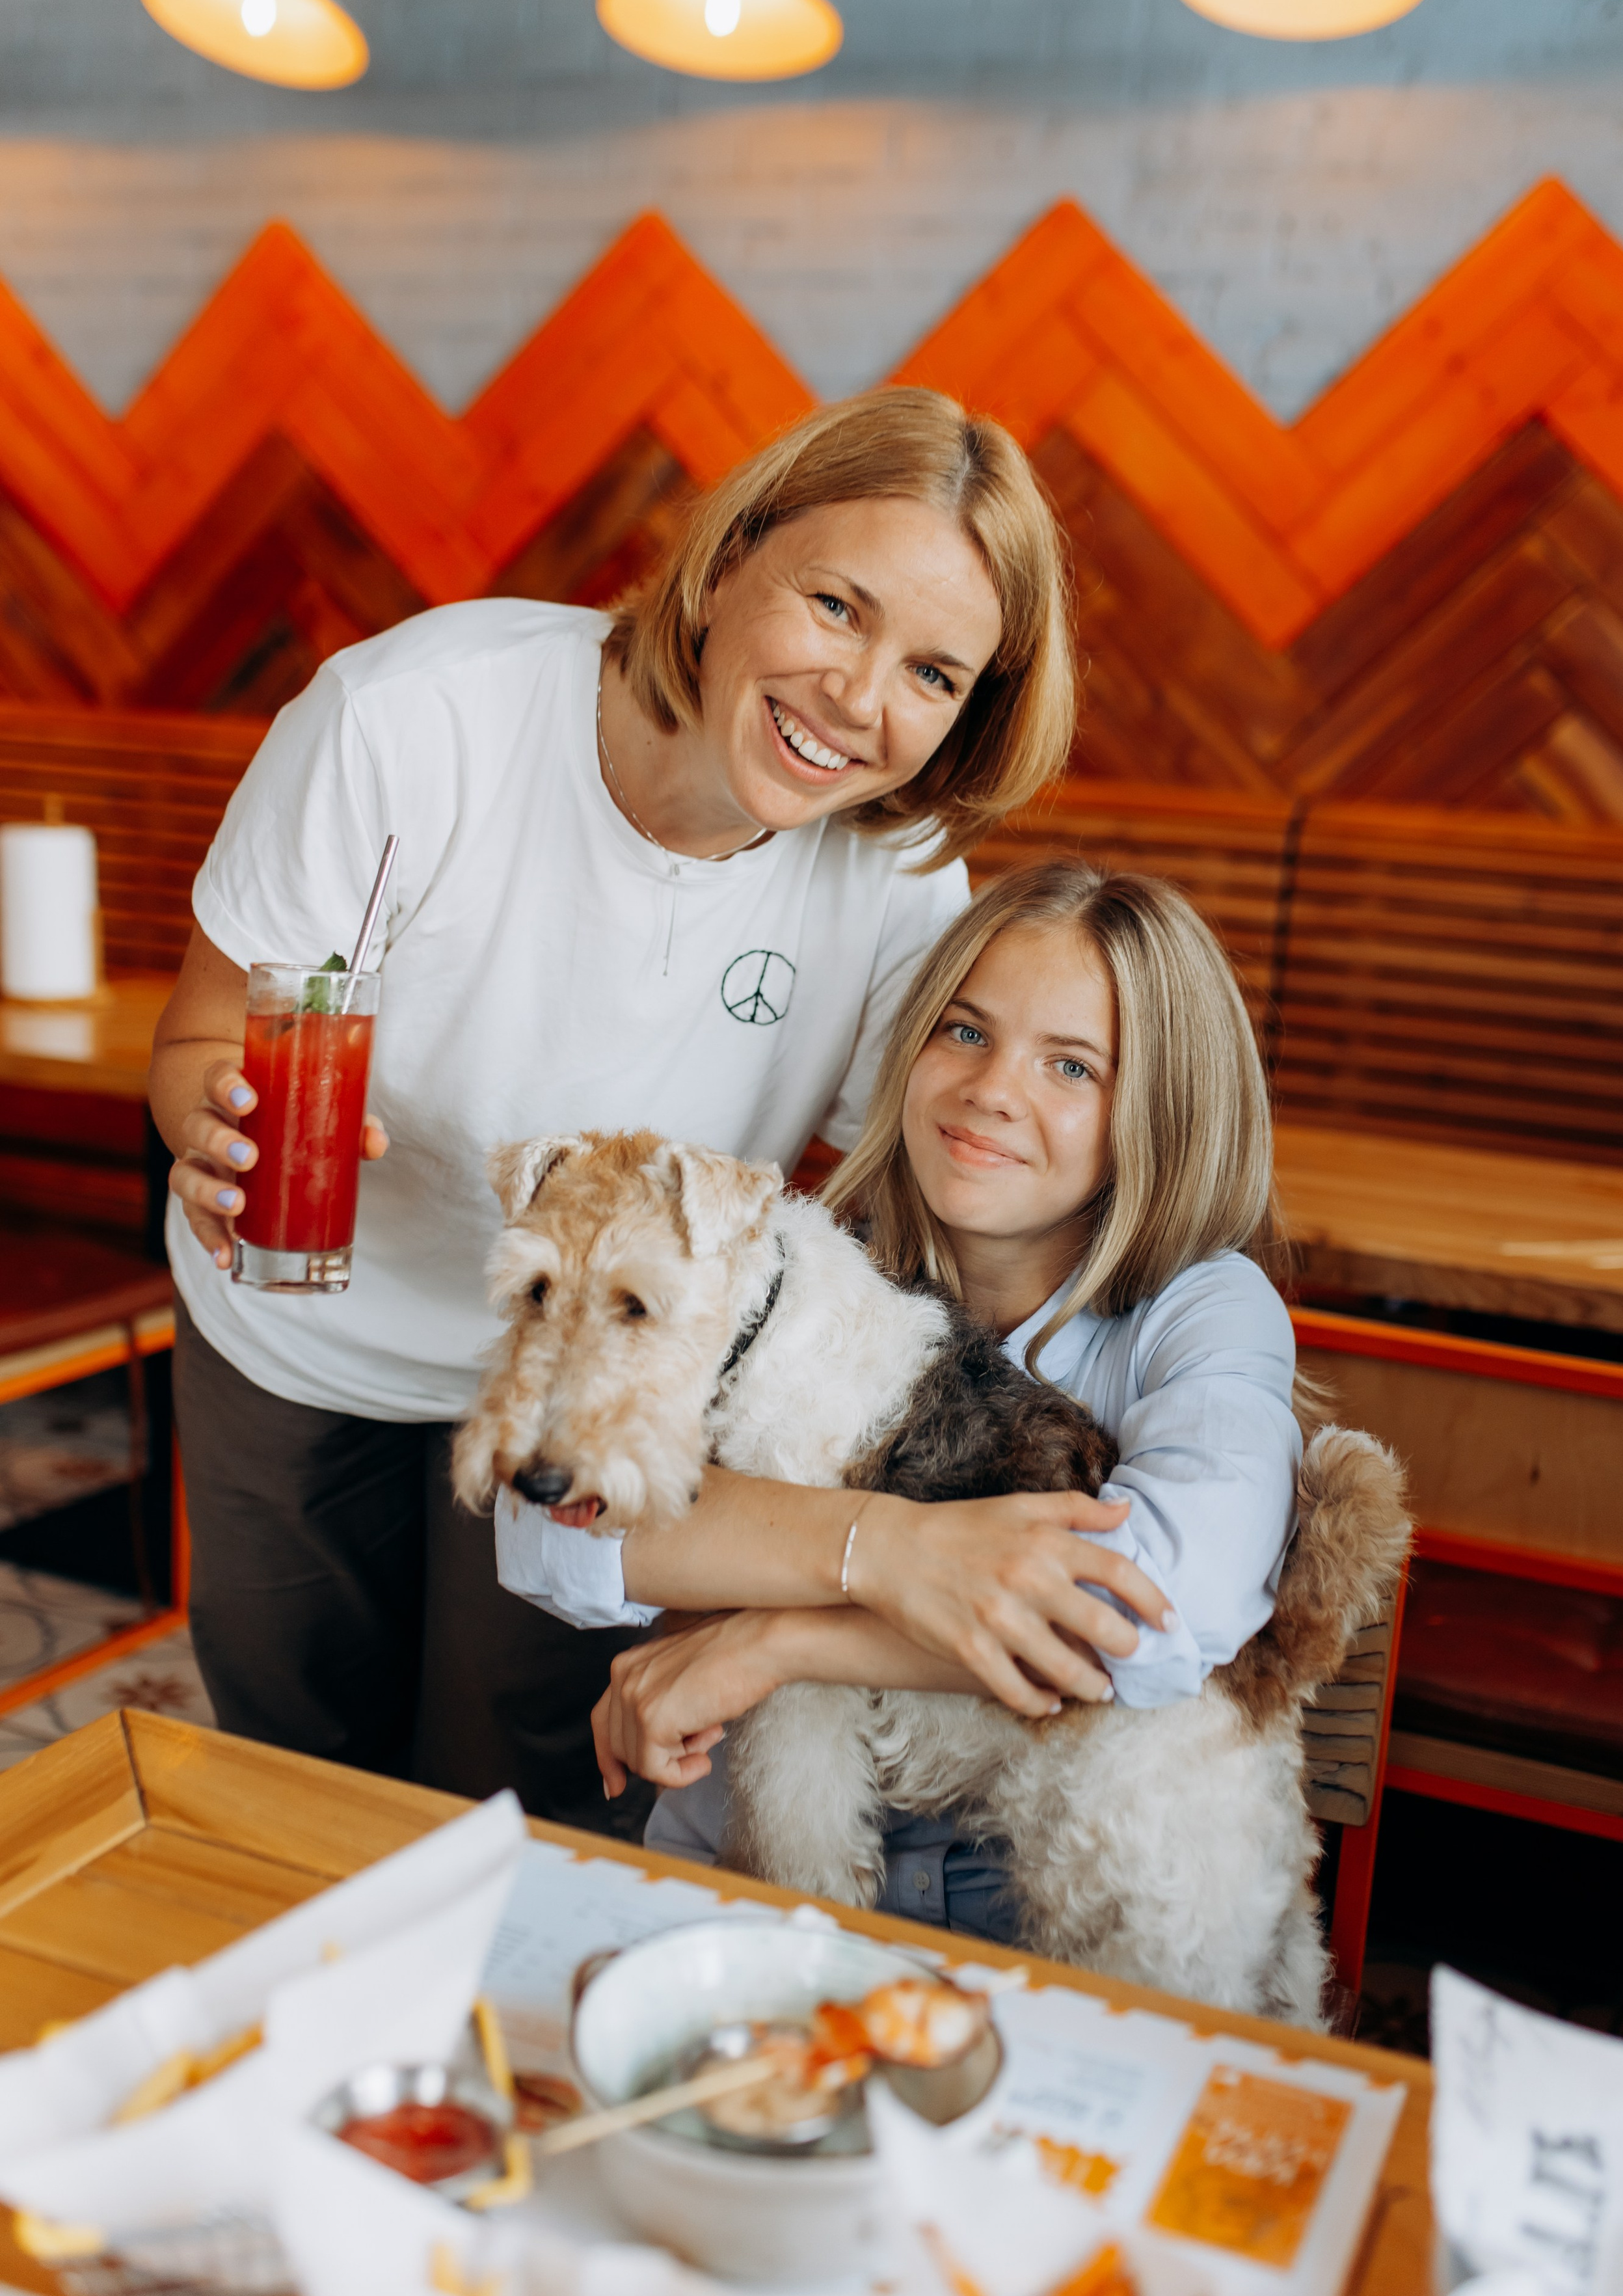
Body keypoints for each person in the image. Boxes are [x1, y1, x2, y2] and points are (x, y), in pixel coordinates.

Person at [147, 386, 1077, 1820]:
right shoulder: (416, 721)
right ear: (729, 559)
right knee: (293, 1770)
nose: (858, 699)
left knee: (523, 1793)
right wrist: (213, 1116)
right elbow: (206, 1034)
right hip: (298, 1323)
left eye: (934, 674)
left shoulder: (895, 879)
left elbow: (936, 1189)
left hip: (605, 1383)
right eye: (834, 605)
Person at [522, 861, 1301, 1935]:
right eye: (966, 1032)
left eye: (1071, 1067)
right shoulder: (795, 1257)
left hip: (1032, 1893)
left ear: (1159, 1112)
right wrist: (879, 1552)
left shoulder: (1203, 1310)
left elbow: (1158, 1604)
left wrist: (773, 1639)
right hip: (751, 1862)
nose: (991, 1090)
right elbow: (549, 1532)